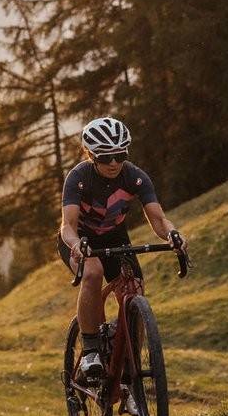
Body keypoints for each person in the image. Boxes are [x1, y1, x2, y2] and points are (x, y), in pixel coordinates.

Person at [58, 116, 187, 384]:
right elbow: (67, 225)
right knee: (93, 273)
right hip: (80, 239)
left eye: (120, 155)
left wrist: (173, 235)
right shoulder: (79, 178)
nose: (114, 163)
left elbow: (159, 220)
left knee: (134, 288)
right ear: (91, 155)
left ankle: (129, 365)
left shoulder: (135, 177)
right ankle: (91, 350)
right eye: (106, 157)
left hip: (115, 237)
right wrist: (76, 245)